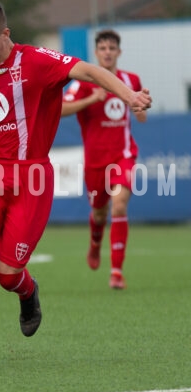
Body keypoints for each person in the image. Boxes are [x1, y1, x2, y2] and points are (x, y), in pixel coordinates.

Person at [0, 0, 151, 371]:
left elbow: (91, 72)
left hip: (31, 179)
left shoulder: (38, 61)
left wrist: (129, 96)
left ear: (6, 34)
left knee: (6, 274)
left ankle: (28, 291)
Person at [62, 29, 147, 290]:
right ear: (96, 53)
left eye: (112, 48)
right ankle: (95, 244)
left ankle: (116, 272)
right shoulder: (84, 83)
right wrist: (91, 99)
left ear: (118, 52)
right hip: (95, 162)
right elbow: (60, 109)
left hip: (123, 155)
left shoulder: (130, 80)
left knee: (119, 205)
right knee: (99, 214)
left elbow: (141, 115)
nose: (108, 52)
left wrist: (141, 104)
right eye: (103, 48)